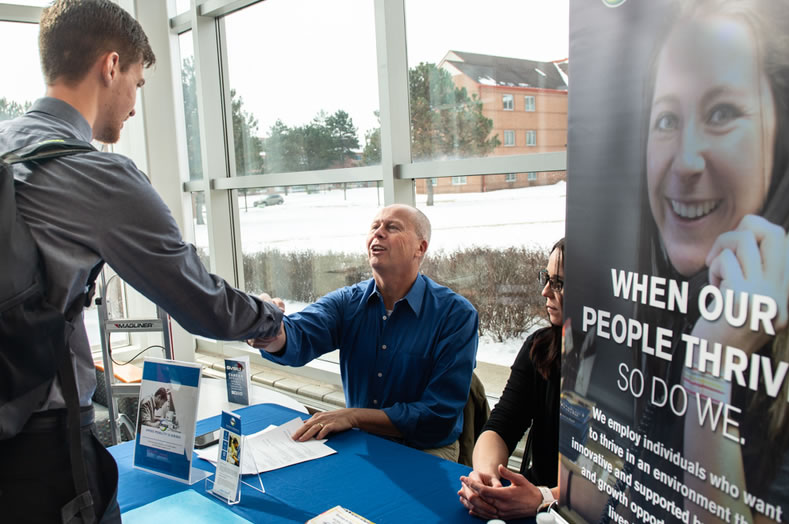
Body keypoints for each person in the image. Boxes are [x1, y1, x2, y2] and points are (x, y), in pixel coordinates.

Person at [0, 2, 285, 522]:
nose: (134, 103)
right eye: (137, 80)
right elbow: (202, 304)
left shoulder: (5, 148)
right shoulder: (99, 176)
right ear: (110, 67)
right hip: (42, 453)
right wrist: (267, 315)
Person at [563, 0, 789, 522]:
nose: (685, 161)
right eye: (666, 119)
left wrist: (709, 373)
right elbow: (602, 499)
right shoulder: (667, 306)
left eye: (722, 113)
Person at [253, 204, 479, 461]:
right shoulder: (348, 302)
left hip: (425, 449)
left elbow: (437, 416)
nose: (378, 233)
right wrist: (269, 330)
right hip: (363, 439)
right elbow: (298, 336)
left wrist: (353, 416)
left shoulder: (456, 315)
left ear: (421, 248)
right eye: (374, 227)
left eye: (392, 227)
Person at [457, 239, 565, 520]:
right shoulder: (540, 348)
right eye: (547, 278)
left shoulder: (627, 373)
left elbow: (615, 482)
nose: (545, 291)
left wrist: (545, 497)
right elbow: (501, 426)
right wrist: (485, 479)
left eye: (560, 283)